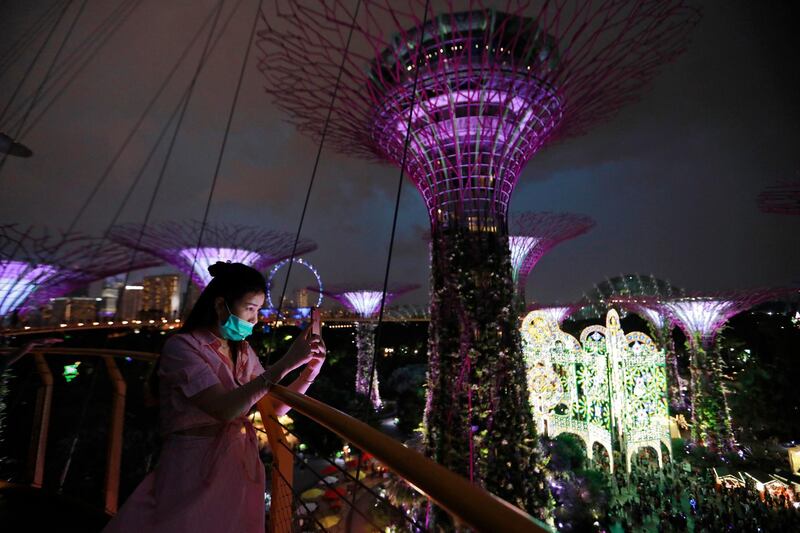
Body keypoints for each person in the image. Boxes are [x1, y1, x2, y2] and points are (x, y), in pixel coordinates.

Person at [103, 261, 325, 533]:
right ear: (221, 306)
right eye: (250, 309)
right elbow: (225, 409)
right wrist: (288, 361)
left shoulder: (242, 351)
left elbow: (276, 406)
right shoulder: (182, 348)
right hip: (193, 465)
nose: (256, 319)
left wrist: (310, 370)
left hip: (235, 464)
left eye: (259, 309)